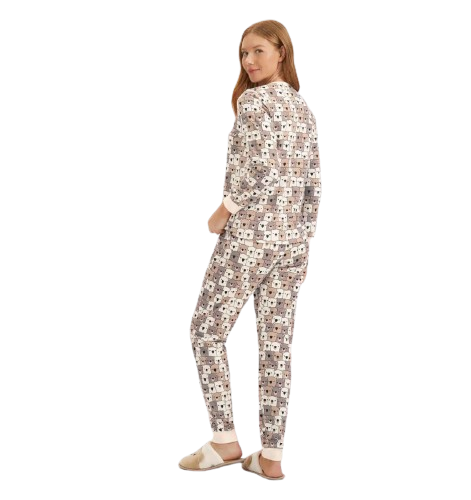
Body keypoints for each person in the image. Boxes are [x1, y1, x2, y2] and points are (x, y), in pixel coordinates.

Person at [178, 19, 321, 481]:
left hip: (251, 238)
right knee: (277, 347)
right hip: (293, 243)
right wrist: (305, 237)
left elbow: (255, 168)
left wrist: (225, 210)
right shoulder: (302, 106)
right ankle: (271, 456)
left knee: (205, 331)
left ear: (282, 52)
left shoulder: (254, 102)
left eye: (259, 50)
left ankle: (224, 440)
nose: (249, 61)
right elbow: (314, 181)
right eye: (243, 53)